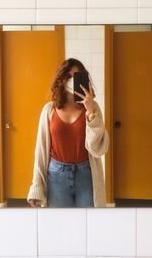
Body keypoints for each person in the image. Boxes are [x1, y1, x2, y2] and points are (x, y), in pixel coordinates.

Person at [27, 58, 109, 207]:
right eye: (69, 76)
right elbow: (40, 152)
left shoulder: (92, 107)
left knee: (88, 224)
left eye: (77, 76)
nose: (72, 80)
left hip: (86, 174)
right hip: (56, 176)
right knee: (60, 225)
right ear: (62, 79)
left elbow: (98, 149)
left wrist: (90, 111)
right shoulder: (49, 110)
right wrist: (36, 187)